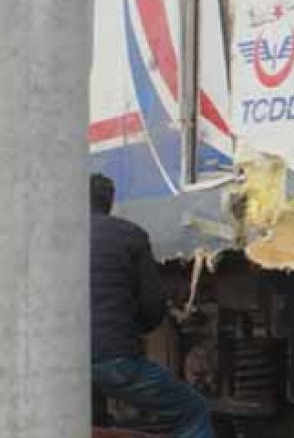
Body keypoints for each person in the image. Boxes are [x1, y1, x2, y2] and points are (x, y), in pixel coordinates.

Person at [90, 173, 213, 438]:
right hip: (114, 359)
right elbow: (152, 306)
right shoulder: (130, 235)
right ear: (110, 203)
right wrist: (128, 331)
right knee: (193, 410)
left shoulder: (50, 237)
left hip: (56, 363)